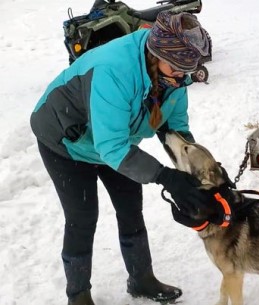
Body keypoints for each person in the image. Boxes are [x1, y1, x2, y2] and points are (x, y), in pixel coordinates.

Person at [30, 11, 229, 305]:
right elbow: (112, 148)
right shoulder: (114, 70)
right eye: (177, 69)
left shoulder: (174, 78)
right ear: (156, 53)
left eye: (189, 70)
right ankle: (78, 296)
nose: (183, 77)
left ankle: (141, 279)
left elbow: (175, 129)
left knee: (130, 207)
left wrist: (202, 177)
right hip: (66, 143)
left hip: (115, 141)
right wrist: (165, 176)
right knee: (82, 217)